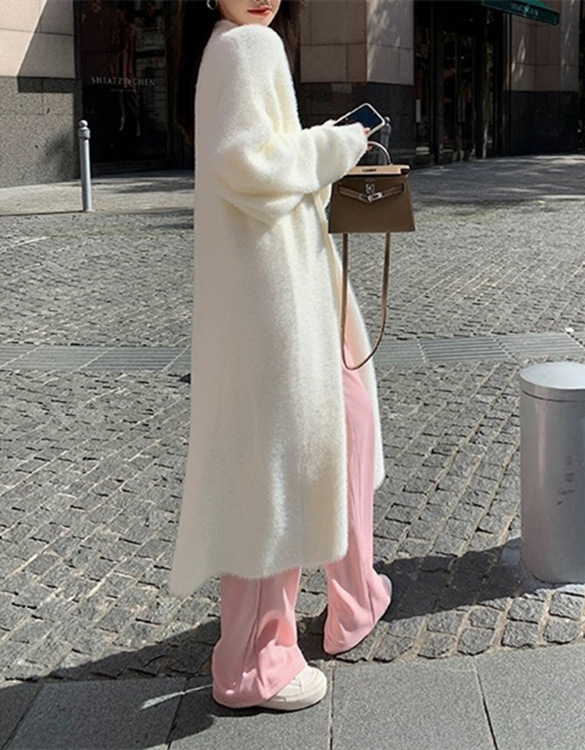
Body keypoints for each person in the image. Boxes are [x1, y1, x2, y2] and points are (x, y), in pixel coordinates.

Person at [169, 0, 392, 712]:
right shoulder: (248, 47)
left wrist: (319, 150)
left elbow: (253, 165)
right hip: (276, 295)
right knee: (281, 465)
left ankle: (346, 603)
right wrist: (338, 144)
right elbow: (249, 165)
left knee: (315, 438)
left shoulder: (227, 45)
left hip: (274, 288)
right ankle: (254, 664)